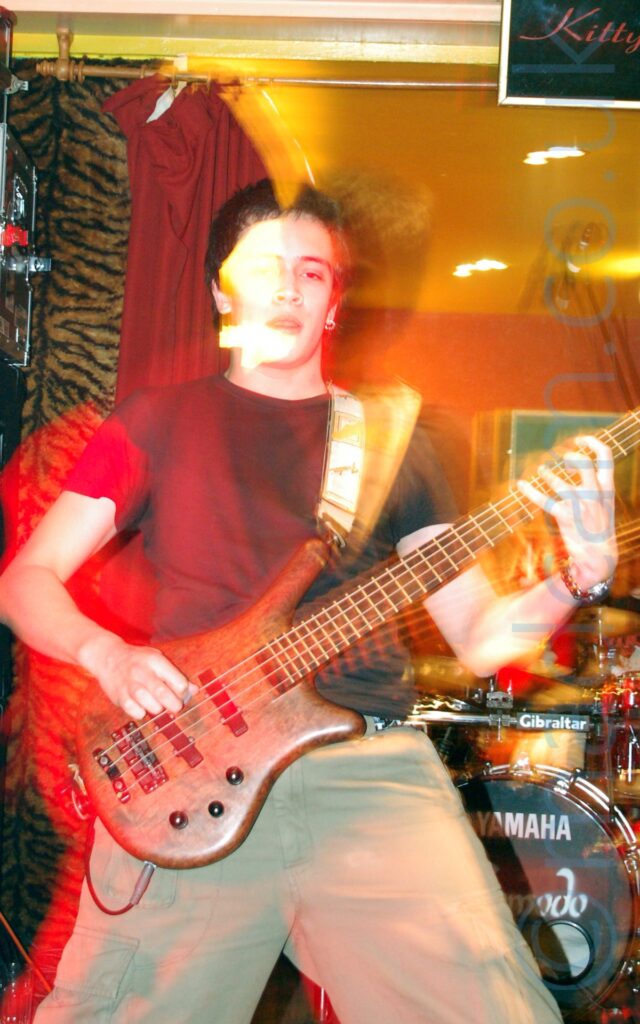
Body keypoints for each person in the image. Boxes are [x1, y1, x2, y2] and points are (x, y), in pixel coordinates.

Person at [0, 178, 618, 1024]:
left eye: (313, 273)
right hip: (185, 774)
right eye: (265, 267)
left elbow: (480, 636)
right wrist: (108, 656)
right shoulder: (155, 421)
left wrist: (578, 573)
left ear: (334, 304)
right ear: (222, 290)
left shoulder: (399, 443)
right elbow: (24, 582)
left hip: (365, 777)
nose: (289, 289)